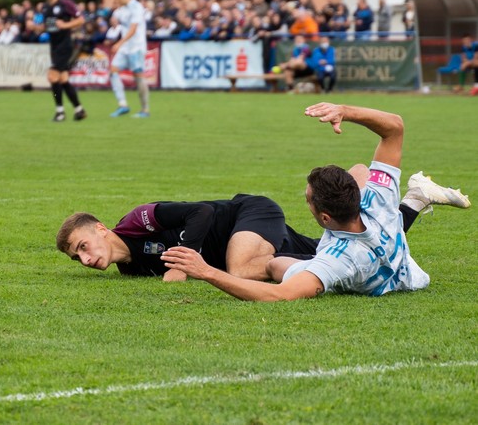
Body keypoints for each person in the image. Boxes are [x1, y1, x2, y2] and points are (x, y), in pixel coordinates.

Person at [161, 103, 470, 300]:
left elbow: (279, 296)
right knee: (361, 170)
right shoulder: (378, 199)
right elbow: (394, 127)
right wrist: (344, 111)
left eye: (308, 200)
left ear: (324, 217)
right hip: (405, 267)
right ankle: (414, 200)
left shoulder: (336, 261)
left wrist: (207, 272)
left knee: (274, 264)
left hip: (374, 273)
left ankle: (416, 200)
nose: (306, 200)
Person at [57, 195, 320, 281]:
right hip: (242, 244)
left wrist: (181, 263)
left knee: (239, 271)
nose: (85, 259)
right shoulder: (131, 269)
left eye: (83, 246)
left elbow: (202, 211)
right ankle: (336, 256)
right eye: (77, 257)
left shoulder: (138, 221)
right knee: (321, 249)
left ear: (101, 229)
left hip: (246, 214)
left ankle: (337, 266)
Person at [42, 0, 86, 122]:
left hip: (65, 45)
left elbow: (81, 20)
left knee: (52, 76)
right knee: (62, 79)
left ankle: (60, 112)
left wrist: (65, 25)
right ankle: (79, 110)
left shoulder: (66, 4)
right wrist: (35, 27)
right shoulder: (45, 7)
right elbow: (49, 26)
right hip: (54, 46)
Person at [106, 0, 150, 118]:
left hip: (136, 47)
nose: (117, 1)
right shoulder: (122, 9)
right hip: (125, 48)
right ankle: (123, 105)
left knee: (139, 77)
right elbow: (114, 20)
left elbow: (133, 29)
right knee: (113, 71)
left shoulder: (136, 7)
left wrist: (119, 43)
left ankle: (145, 110)